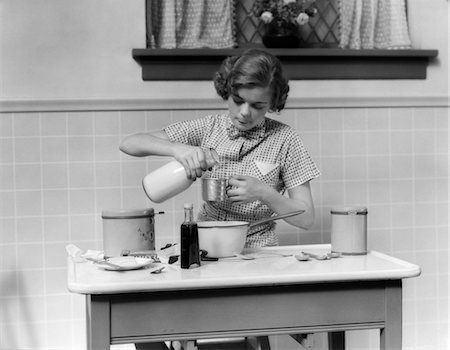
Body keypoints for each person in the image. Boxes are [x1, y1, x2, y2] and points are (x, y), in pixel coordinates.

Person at [120, 48, 320, 248]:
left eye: (257, 106)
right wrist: (177, 149)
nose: (244, 113)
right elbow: (129, 143)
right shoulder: (208, 128)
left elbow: (306, 218)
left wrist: (265, 193)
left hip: (260, 252)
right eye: (238, 100)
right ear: (228, 91)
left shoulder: (286, 139)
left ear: (273, 103)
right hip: (205, 247)